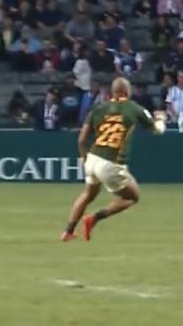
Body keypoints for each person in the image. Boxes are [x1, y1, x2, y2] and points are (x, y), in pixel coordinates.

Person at [61, 77, 166, 242]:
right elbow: (157, 131)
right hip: (111, 163)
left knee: (88, 194)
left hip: (93, 158)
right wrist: (161, 118)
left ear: (112, 92)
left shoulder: (98, 109)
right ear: (128, 91)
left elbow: (81, 140)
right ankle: (93, 219)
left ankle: (68, 231)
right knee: (132, 197)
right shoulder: (135, 109)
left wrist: (85, 160)